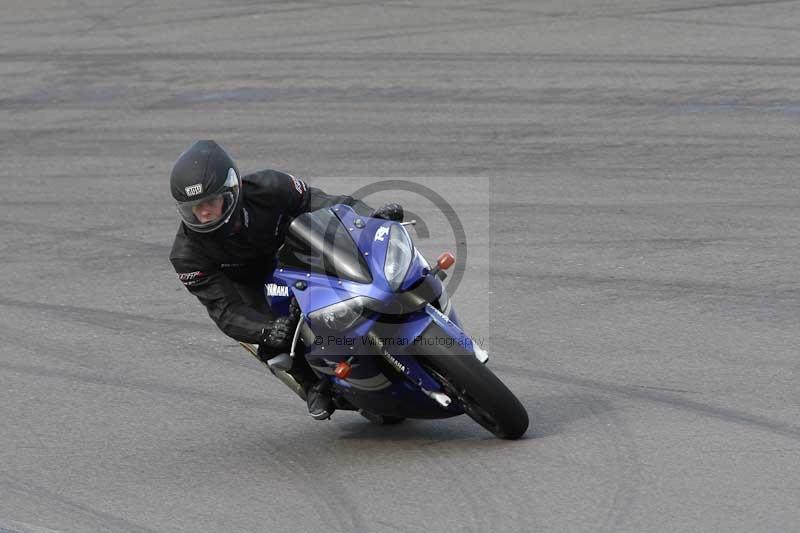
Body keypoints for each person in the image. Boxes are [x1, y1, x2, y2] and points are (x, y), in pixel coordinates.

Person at [168, 140, 403, 420]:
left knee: (365, 262)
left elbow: (321, 203)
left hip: (297, 251)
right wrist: (265, 330)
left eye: (209, 202)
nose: (203, 213)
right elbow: (224, 310)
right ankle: (314, 384)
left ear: (230, 191)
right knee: (274, 337)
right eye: (195, 207)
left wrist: (370, 218)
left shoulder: (269, 186)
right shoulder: (186, 255)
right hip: (248, 285)